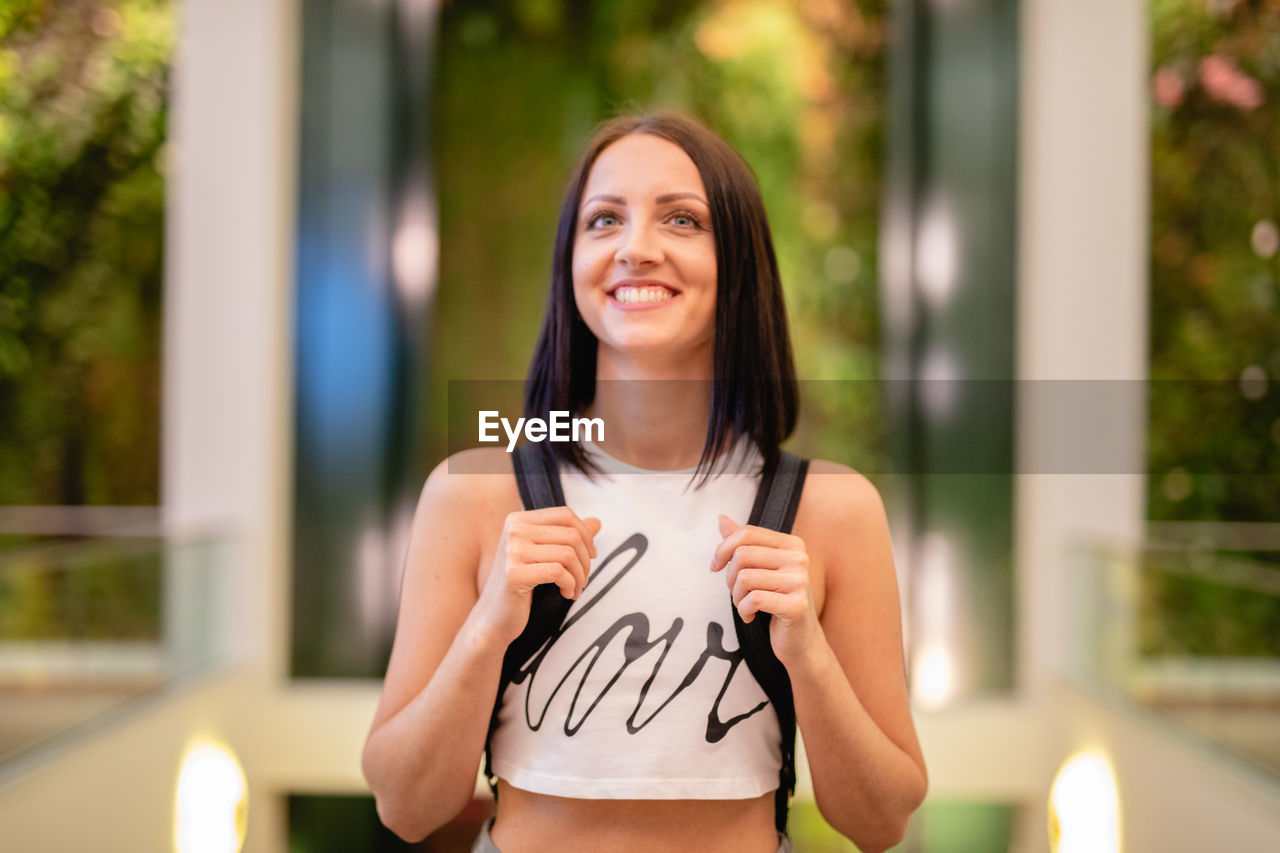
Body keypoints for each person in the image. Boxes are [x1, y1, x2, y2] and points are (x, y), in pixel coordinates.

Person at [361, 110, 928, 853]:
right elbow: (404, 805)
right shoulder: (473, 492)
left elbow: (881, 821)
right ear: (571, 262)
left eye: (682, 219)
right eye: (604, 220)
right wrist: (489, 627)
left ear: (739, 261)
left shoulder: (831, 508)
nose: (635, 249)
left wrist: (809, 654)